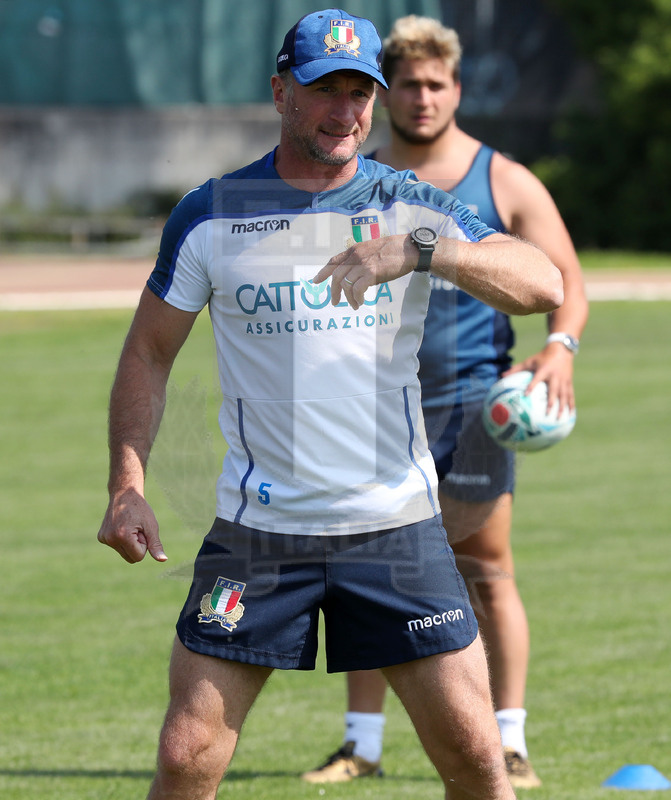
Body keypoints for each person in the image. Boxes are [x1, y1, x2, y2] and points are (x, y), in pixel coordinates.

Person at [97, 9, 563, 800]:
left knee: (478, 762)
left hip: (394, 529)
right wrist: (127, 482)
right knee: (185, 756)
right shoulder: (210, 212)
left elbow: (540, 283)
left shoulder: (407, 202)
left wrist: (422, 250)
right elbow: (148, 352)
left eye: (359, 93)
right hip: (258, 536)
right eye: (324, 90)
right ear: (281, 91)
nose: (345, 111)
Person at [300, 15, 589, 790]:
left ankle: (510, 740)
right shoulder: (356, 175)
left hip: (469, 405)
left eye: (437, 83)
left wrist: (559, 349)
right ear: (386, 94)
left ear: (457, 89)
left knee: (485, 568)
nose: (422, 97)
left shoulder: (502, 179)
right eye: (409, 84)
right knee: (365, 566)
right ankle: (361, 743)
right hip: (369, 409)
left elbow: (566, 280)